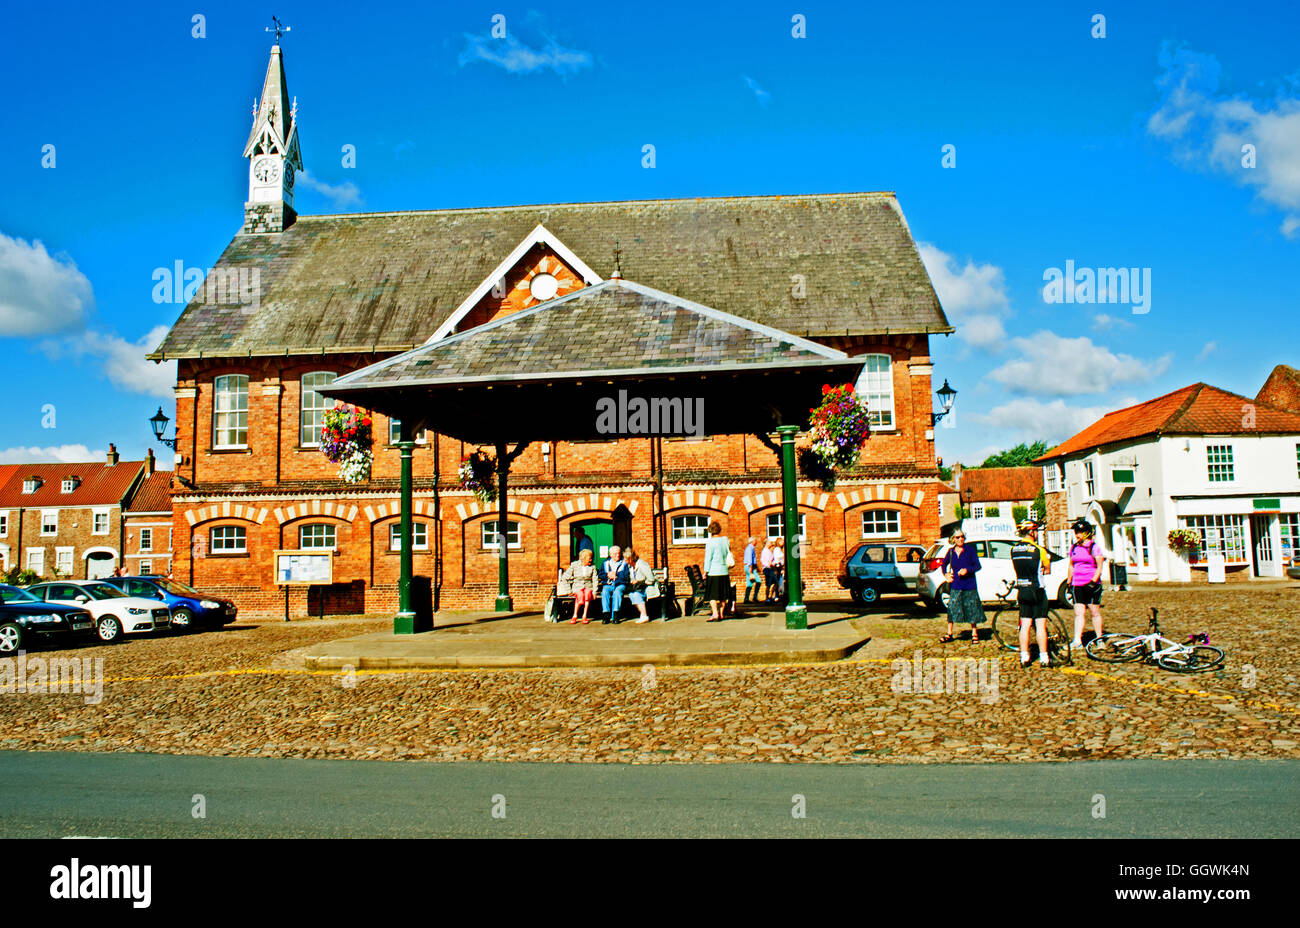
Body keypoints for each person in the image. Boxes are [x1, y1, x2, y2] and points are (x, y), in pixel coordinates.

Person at [1010, 520, 1052, 668]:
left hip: (1022, 590)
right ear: (1032, 532)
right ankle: (1044, 657)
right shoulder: (1039, 549)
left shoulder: (1014, 550)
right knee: (1040, 625)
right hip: (1037, 589)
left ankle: (1024, 656)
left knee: (1025, 624)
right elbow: (1047, 570)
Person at [1068, 519, 1107, 650]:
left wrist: (1093, 581)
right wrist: (1069, 582)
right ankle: (1077, 640)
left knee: (1094, 611)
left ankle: (1099, 638)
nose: (1077, 534)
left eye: (1079, 532)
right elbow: (1071, 565)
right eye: (1076, 532)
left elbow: (1100, 565)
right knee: (1079, 612)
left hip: (1091, 583)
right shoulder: (1074, 547)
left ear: (1087, 533)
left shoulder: (1094, 547)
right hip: (1077, 584)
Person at [940, 529, 983, 642]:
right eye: (957, 537)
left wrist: (967, 570)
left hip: (969, 584)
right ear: (953, 539)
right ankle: (949, 633)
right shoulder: (951, 551)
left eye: (962, 537)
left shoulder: (970, 550)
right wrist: (946, 574)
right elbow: (943, 564)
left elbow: (978, 566)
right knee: (952, 609)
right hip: (956, 585)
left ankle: (974, 633)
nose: (960, 539)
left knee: (972, 608)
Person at [702, 521, 732, 622]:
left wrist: (705, 571)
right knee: (723, 595)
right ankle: (721, 613)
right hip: (724, 571)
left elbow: (708, 558)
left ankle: (715, 613)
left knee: (712, 595)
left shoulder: (710, 543)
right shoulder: (725, 541)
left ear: (710, 531)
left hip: (713, 571)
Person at [624, 549, 661, 624]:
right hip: (639, 588)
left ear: (630, 559)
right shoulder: (631, 567)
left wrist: (639, 582)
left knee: (637, 595)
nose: (625, 561)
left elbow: (651, 579)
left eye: (626, 559)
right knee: (631, 594)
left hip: (649, 587)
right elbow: (632, 578)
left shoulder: (642, 564)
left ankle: (644, 616)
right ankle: (642, 614)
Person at [564, 548, 597, 624]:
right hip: (577, 587)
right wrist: (569, 590)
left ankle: (584, 616)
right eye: (589, 558)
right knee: (580, 595)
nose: (591, 560)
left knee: (588, 594)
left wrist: (594, 592)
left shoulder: (592, 567)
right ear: (583, 558)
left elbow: (595, 580)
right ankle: (575, 615)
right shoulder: (574, 565)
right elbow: (565, 578)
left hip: (588, 586)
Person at [599, 545, 630, 624]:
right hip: (608, 584)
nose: (618, 555)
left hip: (620, 584)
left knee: (617, 593)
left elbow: (626, 576)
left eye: (619, 553)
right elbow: (600, 574)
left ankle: (615, 616)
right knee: (605, 592)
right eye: (615, 553)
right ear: (611, 554)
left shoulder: (624, 563)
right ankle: (606, 615)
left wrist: (615, 574)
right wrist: (607, 575)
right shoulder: (605, 563)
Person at [743, 536, 760, 603]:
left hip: (748, 567)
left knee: (749, 583)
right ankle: (755, 597)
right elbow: (750, 560)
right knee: (758, 581)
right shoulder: (750, 548)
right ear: (752, 541)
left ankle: (746, 599)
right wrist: (751, 571)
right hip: (750, 567)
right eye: (755, 540)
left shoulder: (749, 548)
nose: (756, 542)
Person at [760, 538, 777, 603]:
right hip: (767, 568)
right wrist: (774, 564)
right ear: (767, 543)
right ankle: (768, 598)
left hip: (770, 569)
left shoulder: (768, 551)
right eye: (770, 542)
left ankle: (770, 597)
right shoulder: (765, 551)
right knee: (769, 584)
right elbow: (769, 562)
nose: (771, 543)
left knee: (774, 583)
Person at [773, 537, 786, 602]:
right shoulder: (777, 549)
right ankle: (777, 596)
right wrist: (781, 567)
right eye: (781, 541)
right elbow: (777, 558)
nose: (783, 542)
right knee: (779, 582)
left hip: (779, 566)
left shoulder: (779, 549)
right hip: (778, 566)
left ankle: (778, 595)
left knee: (780, 581)